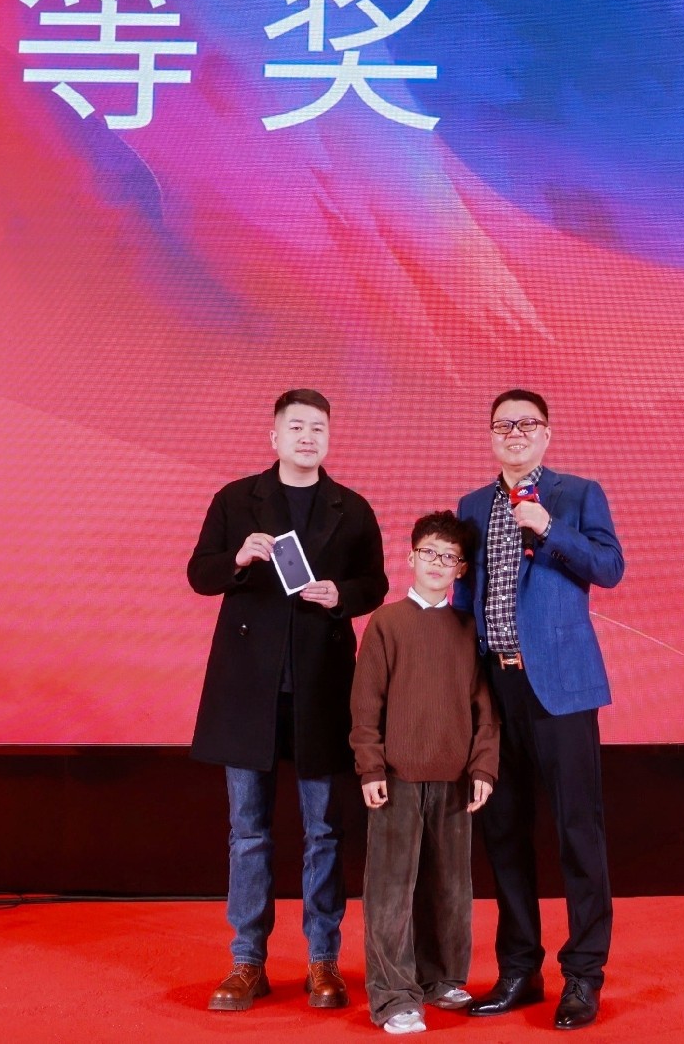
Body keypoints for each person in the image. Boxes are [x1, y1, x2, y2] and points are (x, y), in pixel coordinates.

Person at [186, 389, 389, 1013]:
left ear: (329, 437)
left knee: (324, 831)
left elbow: (375, 583)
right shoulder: (235, 500)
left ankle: (323, 960)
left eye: (317, 428)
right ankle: (247, 961)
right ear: (274, 437)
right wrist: (238, 559)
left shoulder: (352, 508)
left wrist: (341, 594)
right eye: (296, 427)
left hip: (322, 686)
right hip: (248, 689)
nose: (307, 437)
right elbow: (199, 574)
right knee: (247, 831)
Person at [455, 390, 624, 1031]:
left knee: (578, 831)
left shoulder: (577, 494)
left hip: (561, 688)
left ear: (547, 434)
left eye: (527, 424)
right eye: (504, 425)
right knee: (503, 832)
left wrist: (549, 529)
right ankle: (520, 969)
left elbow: (609, 567)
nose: (515, 433)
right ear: (491, 436)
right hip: (495, 690)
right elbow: (467, 597)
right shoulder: (472, 506)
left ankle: (583, 974)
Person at [350, 510, 500, 1036]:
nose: (438, 563)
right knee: (391, 890)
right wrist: (370, 766)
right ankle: (393, 996)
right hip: (396, 778)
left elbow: (485, 708)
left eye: (449, 557)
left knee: (451, 888)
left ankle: (441, 978)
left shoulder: (467, 628)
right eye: (428, 553)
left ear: (462, 568)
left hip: (454, 779)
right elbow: (365, 704)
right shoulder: (387, 623)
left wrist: (483, 766)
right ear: (410, 557)